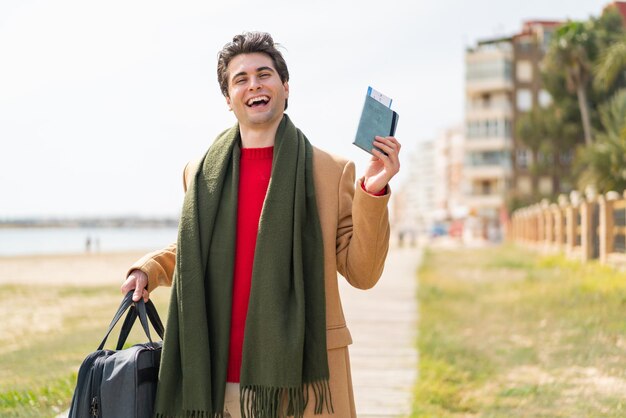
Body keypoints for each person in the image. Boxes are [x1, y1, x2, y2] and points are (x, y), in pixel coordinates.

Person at [121, 31, 401, 418]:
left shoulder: (331, 172)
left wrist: (373, 189)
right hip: (218, 378)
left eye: (264, 74)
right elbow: (193, 247)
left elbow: (363, 272)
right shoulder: (199, 172)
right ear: (228, 99)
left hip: (303, 379)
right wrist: (148, 269)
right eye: (241, 79)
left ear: (285, 88)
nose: (254, 84)